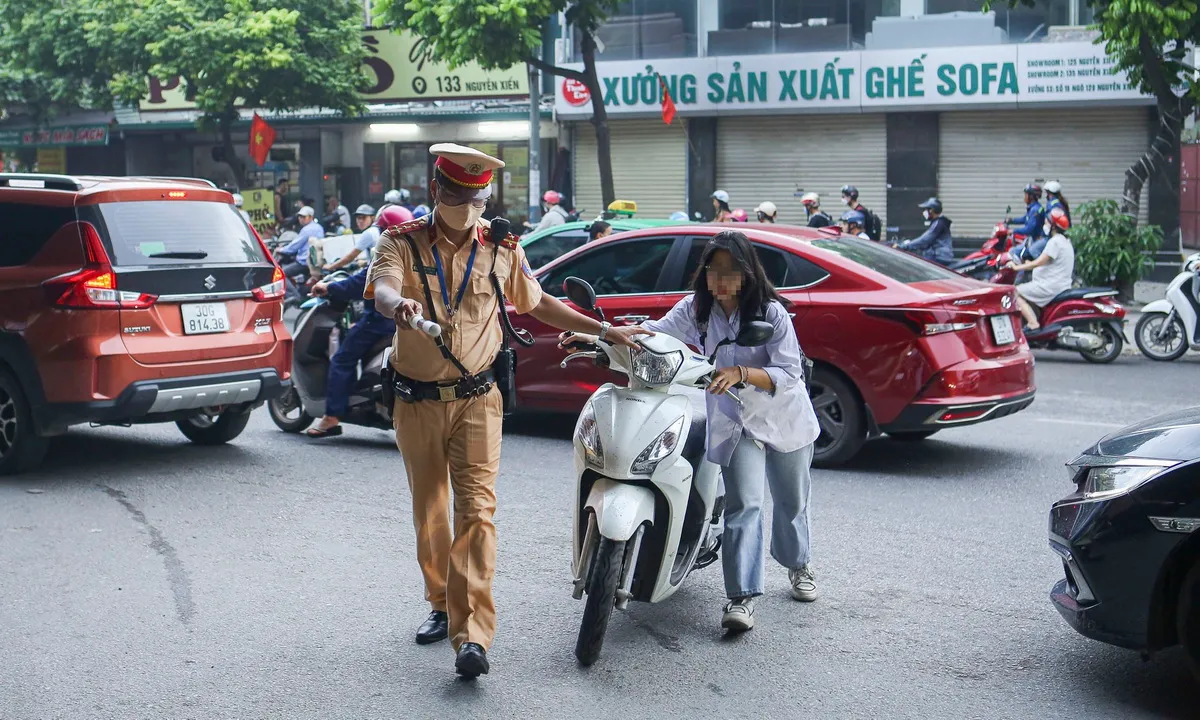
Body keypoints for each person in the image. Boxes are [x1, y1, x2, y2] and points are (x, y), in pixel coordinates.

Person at [365, 143, 649, 679]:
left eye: (476, 197)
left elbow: (535, 302)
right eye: (457, 194)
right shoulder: (400, 242)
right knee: (431, 510)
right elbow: (382, 288)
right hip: (416, 402)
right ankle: (440, 601)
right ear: (436, 191)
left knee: (477, 513)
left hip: (478, 400)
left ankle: (473, 635)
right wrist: (397, 303)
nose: (468, 205)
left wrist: (606, 329)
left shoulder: (502, 247)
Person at [562, 230, 820, 631]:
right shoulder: (695, 308)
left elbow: (788, 374)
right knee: (744, 505)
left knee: (790, 503)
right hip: (735, 420)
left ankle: (798, 564)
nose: (720, 280)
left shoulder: (771, 314)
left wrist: (741, 372)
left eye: (730, 271)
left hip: (783, 418)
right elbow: (652, 334)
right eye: (713, 270)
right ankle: (742, 598)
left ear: (748, 274)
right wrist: (599, 337)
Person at [304, 266, 397, 438]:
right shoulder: (424, 249)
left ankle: (331, 417)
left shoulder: (391, 248)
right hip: (410, 320)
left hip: (381, 321)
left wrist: (329, 287)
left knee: (342, 360)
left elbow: (360, 283)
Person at [1006, 207, 1073, 330]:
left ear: (1053, 226)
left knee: (1014, 292)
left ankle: (1032, 323)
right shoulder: (1065, 241)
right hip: (1059, 284)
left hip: (1049, 286)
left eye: (1047, 222)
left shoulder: (1055, 242)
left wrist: (1017, 267)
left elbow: (1039, 262)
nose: (1045, 224)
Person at [281, 206, 323, 302]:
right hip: (316, 261)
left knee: (282, 274)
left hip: (304, 262)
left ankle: (295, 297)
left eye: (303, 217)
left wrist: (281, 249)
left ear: (311, 217)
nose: (301, 219)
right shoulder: (319, 227)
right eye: (300, 217)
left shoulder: (307, 229)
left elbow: (294, 246)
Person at [324, 205, 380, 273]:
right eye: (358, 218)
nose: (360, 221)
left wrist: (331, 267)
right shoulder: (376, 229)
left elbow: (350, 257)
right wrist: (365, 262)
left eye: (363, 218)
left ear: (373, 218)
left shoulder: (369, 233)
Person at [898, 198, 953, 265]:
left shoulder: (939, 223)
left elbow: (925, 239)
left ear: (931, 210)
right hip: (939, 255)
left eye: (926, 209)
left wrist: (905, 246)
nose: (924, 212)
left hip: (938, 257)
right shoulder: (939, 222)